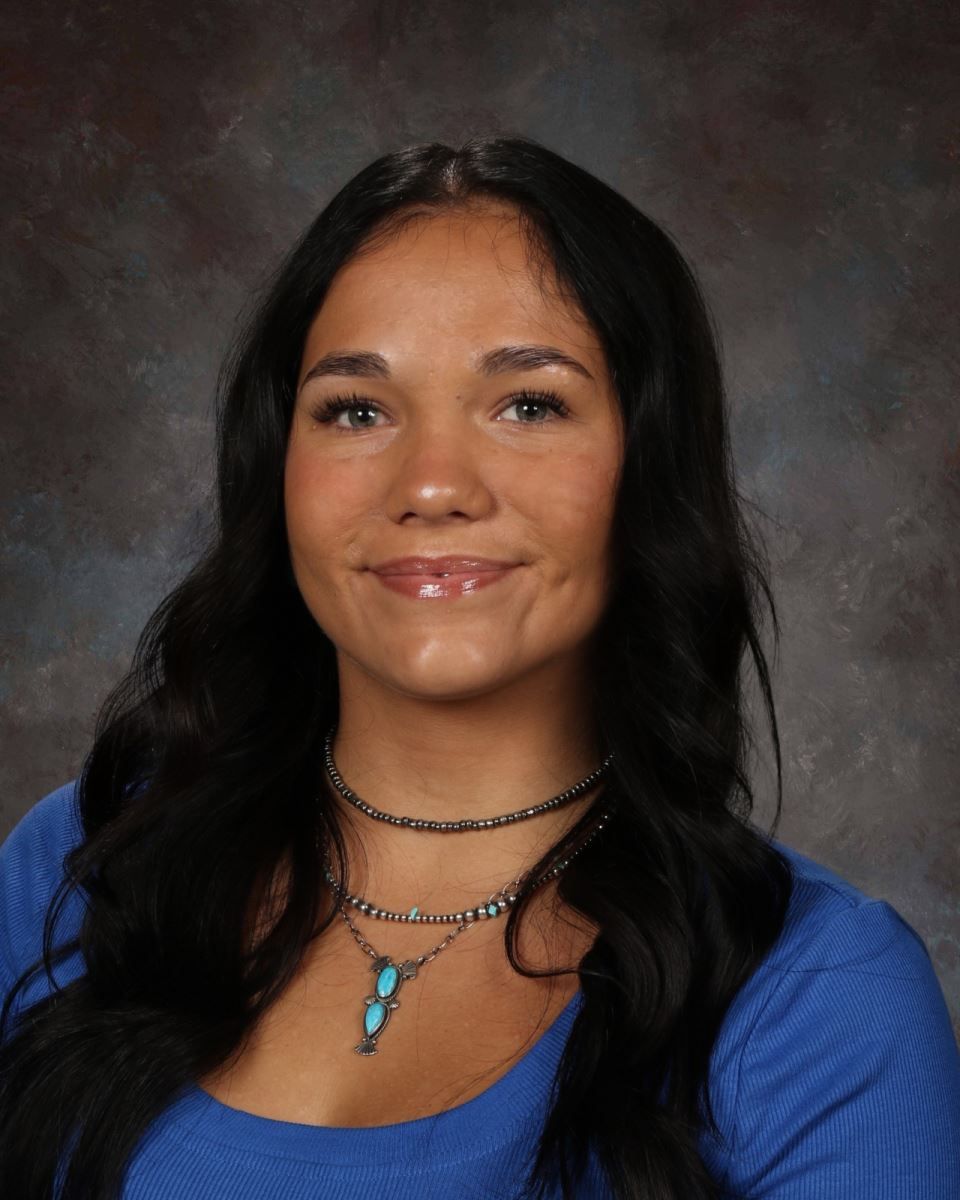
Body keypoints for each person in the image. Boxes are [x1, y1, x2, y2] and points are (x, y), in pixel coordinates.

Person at [1, 135, 957, 1200]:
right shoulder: (82, 869)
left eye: (529, 404)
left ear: (648, 464)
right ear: (279, 470)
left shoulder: (818, 997)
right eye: (357, 409)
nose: (434, 483)